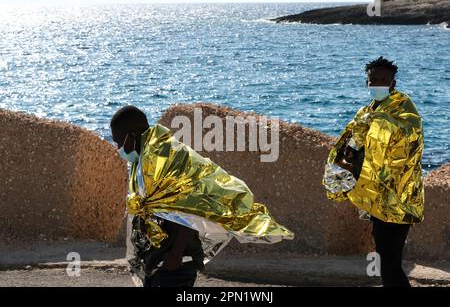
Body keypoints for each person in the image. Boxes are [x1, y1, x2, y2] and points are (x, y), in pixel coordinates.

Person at [111, 106, 294, 287]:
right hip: (157, 260)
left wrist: (175, 256)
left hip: (175, 264)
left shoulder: (168, 158)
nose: (118, 148)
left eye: (118, 141)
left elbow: (190, 208)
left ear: (132, 136)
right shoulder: (143, 160)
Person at [323, 56, 425, 287]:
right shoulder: (366, 111)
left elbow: (410, 138)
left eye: (383, 80)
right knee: (385, 259)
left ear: (393, 84)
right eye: (373, 80)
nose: (377, 84)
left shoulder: (404, 108)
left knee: (389, 263)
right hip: (378, 199)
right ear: (366, 83)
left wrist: (378, 121)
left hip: (400, 197)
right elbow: (354, 146)